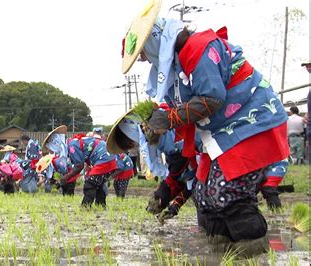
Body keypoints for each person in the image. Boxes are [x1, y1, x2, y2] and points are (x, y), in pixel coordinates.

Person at [120, 3, 290, 254]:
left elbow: (211, 98)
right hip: (224, 133)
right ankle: (222, 254)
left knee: (227, 191)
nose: (144, 60)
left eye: (143, 53)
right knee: (205, 196)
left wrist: (168, 120)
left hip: (250, 124)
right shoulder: (178, 68)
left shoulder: (199, 48)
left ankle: (253, 253)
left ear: (154, 42)